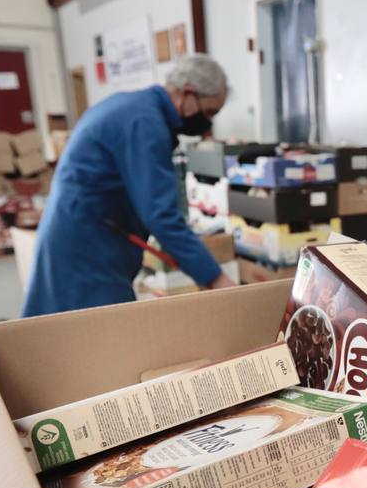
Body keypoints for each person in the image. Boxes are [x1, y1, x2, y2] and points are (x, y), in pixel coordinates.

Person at [21, 55, 237, 316]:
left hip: (89, 236)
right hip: (86, 248)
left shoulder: (137, 108)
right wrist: (215, 279)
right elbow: (160, 214)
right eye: (210, 112)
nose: (207, 125)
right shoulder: (145, 123)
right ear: (187, 94)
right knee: (103, 335)